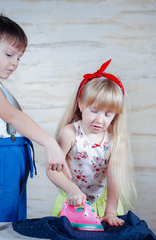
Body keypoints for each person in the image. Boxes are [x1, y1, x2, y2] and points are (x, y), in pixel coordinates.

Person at [0, 12, 70, 222]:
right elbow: (15, 117)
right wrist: (49, 143)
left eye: (18, 58)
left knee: (16, 220)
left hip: (14, 155)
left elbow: (18, 120)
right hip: (3, 157)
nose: (15, 63)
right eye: (9, 54)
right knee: (2, 220)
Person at [46, 59, 137, 227]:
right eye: (94, 110)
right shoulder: (70, 133)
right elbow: (52, 170)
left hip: (104, 202)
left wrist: (110, 212)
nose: (100, 120)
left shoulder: (113, 140)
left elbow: (113, 178)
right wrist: (72, 190)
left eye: (108, 114)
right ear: (81, 105)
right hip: (72, 201)